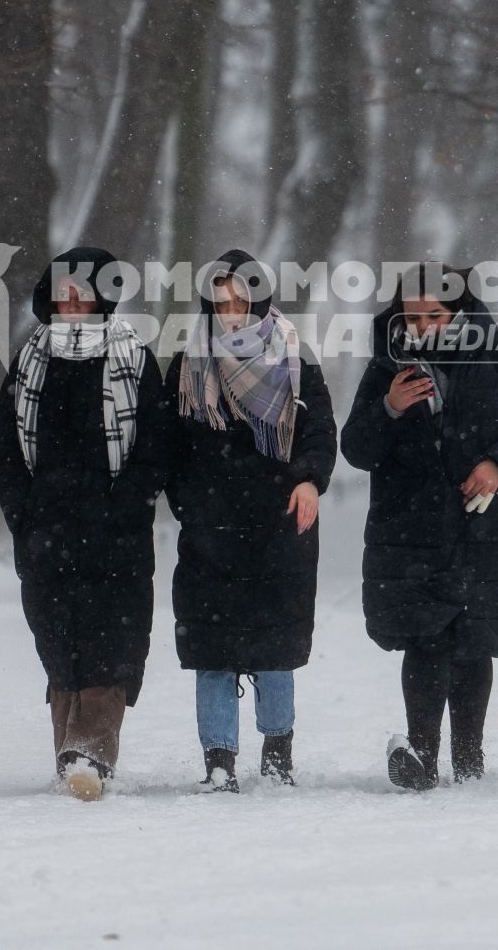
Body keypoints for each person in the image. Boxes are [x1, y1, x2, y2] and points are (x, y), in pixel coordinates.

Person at [339, 263, 498, 789]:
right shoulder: (387, 365)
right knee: (426, 636)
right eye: (411, 315)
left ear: (460, 311)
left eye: (434, 315)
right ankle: (421, 757)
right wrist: (390, 408)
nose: (421, 326)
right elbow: (355, 448)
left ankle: (469, 761)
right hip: (411, 530)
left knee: (473, 640)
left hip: (486, 526)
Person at [0, 246, 170, 801]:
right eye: (64, 291)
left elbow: (156, 447)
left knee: (111, 643)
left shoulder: (134, 359)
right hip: (47, 532)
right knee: (57, 640)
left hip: (117, 533)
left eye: (82, 292)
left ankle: (88, 752)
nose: (72, 301)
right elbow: (2, 451)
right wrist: (25, 514)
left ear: (101, 297)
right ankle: (72, 753)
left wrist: (127, 507)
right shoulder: (28, 360)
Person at [165, 250, 336, 792]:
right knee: (211, 652)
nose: (231, 309)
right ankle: (218, 760)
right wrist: (193, 506)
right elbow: (170, 448)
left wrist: (308, 478)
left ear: (259, 298)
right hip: (210, 531)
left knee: (275, 648)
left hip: (280, 525)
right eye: (221, 298)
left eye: (240, 297)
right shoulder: (188, 362)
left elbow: (319, 430)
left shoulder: (294, 358)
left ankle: (277, 754)